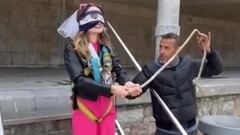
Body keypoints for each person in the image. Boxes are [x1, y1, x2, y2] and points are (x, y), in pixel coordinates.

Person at [58, 3, 141, 135]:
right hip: (86, 108)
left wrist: (128, 83)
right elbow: (79, 81)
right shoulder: (72, 48)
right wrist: (112, 89)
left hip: (108, 108)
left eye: (100, 15)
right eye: (92, 15)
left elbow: (117, 70)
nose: (98, 19)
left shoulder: (105, 47)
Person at [127, 32, 224, 135]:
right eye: (160, 47)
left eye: (167, 48)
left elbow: (216, 69)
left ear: (177, 49)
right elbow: (133, 90)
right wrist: (131, 91)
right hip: (165, 131)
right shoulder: (151, 69)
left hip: (190, 129)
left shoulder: (188, 64)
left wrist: (208, 51)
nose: (161, 51)